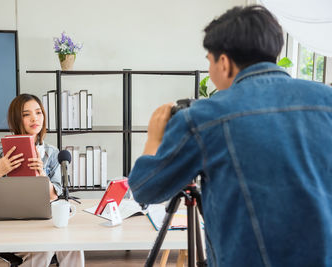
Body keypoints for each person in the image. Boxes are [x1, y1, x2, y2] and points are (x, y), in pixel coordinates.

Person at [128, 5, 332, 267]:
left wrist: (154, 138)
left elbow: (146, 188)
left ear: (223, 63)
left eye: (209, 61)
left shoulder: (204, 117)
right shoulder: (326, 100)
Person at [0, 94, 84, 267]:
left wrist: (41, 174)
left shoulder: (52, 153)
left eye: (38, 113)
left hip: (45, 221)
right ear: (16, 119)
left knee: (73, 245)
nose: (34, 118)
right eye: (26, 114)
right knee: (43, 248)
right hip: (11, 224)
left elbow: (54, 196)